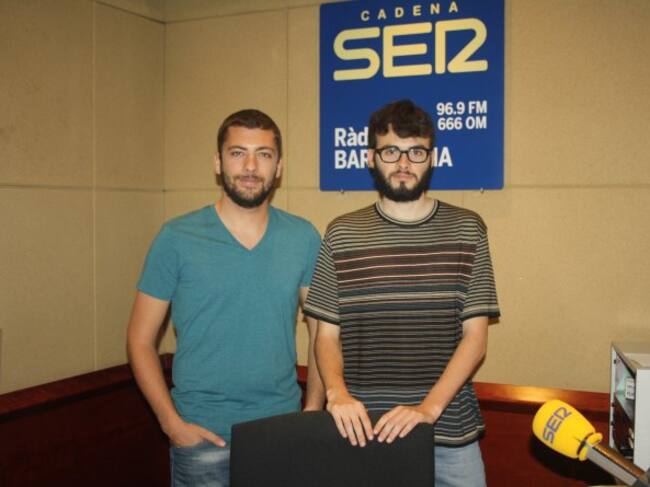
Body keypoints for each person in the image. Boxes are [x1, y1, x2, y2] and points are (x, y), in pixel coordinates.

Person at [304, 99, 500, 487]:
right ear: (370, 157)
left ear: (433, 158)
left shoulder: (468, 228)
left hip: (448, 433)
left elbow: (475, 339)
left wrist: (427, 410)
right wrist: (336, 393)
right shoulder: (341, 233)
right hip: (363, 430)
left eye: (416, 152)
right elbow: (325, 335)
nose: (404, 163)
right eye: (391, 151)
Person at [127, 109, 324, 487]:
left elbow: (323, 333)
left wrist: (312, 412)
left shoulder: (303, 238)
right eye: (237, 153)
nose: (250, 166)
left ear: (279, 167)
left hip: (280, 434)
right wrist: (171, 424)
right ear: (218, 163)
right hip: (200, 436)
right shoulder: (176, 238)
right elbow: (139, 340)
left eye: (263, 155)